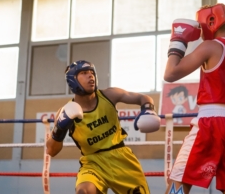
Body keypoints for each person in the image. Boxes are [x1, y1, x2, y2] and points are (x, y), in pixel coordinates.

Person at [164, 3, 225, 194]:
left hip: (211, 124)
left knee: (179, 178)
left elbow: (170, 73)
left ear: (211, 21)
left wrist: (178, 41)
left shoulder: (210, 46)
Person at [46, 60, 161, 194]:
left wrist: (148, 109)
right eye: (84, 73)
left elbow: (143, 97)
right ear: (73, 79)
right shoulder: (64, 112)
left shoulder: (109, 95)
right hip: (93, 163)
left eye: (92, 73)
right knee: (84, 191)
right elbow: (51, 150)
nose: (91, 76)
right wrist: (59, 128)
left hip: (122, 159)